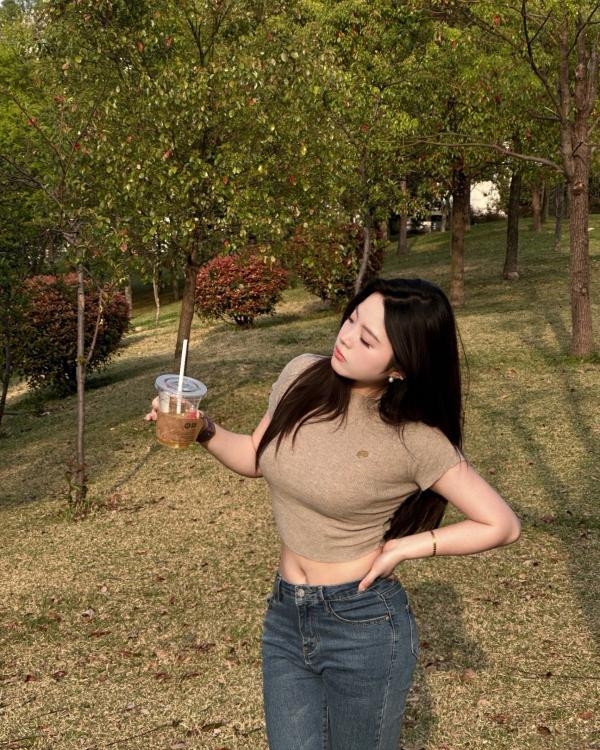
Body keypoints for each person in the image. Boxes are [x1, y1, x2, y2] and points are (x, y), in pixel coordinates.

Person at [146, 277, 521, 750]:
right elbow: (255, 457)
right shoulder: (302, 375)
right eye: (352, 320)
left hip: (361, 624)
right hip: (285, 615)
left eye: (367, 339)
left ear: (400, 367)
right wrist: (201, 428)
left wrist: (403, 548)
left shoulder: (416, 439)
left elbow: (501, 524)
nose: (346, 338)